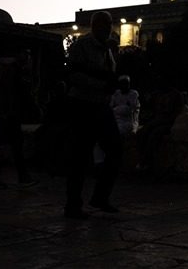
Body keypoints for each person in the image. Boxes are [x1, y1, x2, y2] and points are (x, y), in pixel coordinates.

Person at [64, 11, 121, 219]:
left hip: (101, 105)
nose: (109, 28)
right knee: (80, 156)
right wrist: (101, 84)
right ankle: (73, 205)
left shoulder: (108, 48)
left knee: (115, 150)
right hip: (83, 105)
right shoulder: (82, 46)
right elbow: (73, 75)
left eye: (110, 24)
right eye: (105, 24)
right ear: (95, 26)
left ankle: (100, 197)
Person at [0, 51, 38, 188]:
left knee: (8, 145)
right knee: (15, 145)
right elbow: (20, 95)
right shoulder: (17, 75)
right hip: (10, 114)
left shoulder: (7, 73)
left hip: (5, 114)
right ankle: (21, 176)